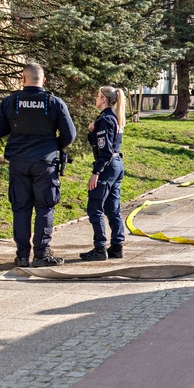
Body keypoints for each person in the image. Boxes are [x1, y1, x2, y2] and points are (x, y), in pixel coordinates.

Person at [0, 62, 76, 267]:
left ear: (23, 79)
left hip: (19, 162)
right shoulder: (54, 102)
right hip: (45, 163)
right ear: (43, 81)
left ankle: (22, 255)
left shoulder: (11, 102)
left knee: (21, 208)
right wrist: (53, 145)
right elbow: (69, 135)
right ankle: (41, 254)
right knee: (45, 207)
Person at [80, 86, 126, 261]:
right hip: (117, 164)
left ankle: (99, 248)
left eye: (98, 96)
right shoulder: (114, 118)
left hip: (107, 166)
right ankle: (116, 246)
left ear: (105, 99)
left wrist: (96, 172)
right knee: (112, 208)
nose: (96, 99)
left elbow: (104, 150)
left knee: (95, 207)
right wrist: (93, 130)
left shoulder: (106, 119)